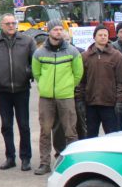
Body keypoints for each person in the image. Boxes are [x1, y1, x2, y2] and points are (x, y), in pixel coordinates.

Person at [0, 13, 36, 171]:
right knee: (6, 125)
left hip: (22, 89)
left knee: (24, 125)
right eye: (8, 23)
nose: (11, 26)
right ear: (1, 25)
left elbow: (35, 62)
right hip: (2, 90)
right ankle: (10, 157)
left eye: (13, 23)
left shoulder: (27, 41)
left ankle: (25, 158)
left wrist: (28, 73)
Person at [31, 21, 83, 175]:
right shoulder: (39, 53)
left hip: (66, 96)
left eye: (61, 29)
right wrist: (45, 86)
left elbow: (78, 73)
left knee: (70, 131)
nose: (59, 32)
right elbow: (37, 73)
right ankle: (44, 163)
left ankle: (72, 163)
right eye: (55, 29)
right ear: (49, 31)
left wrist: (68, 87)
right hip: (46, 98)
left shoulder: (72, 52)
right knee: (45, 131)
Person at [76, 26, 122, 137]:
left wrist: (120, 101)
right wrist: (80, 100)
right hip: (91, 104)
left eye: (105, 35)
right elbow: (80, 81)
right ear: (94, 37)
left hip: (110, 104)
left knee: (112, 136)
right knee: (90, 136)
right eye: (100, 35)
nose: (103, 37)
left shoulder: (117, 56)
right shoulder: (85, 57)